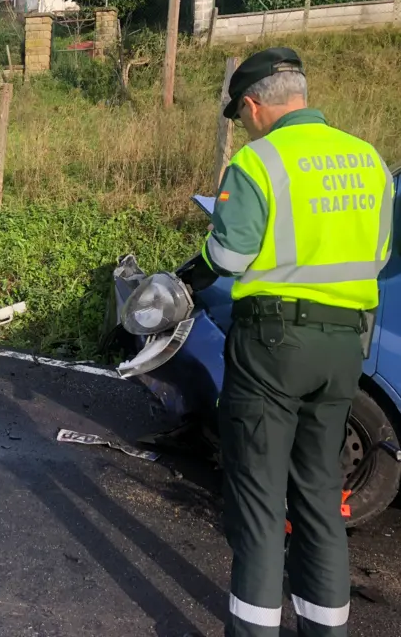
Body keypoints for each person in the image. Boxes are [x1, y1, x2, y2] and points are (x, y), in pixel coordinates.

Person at [186, 47, 394, 637]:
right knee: (320, 498)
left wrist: (193, 267)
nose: (244, 125)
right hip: (343, 351)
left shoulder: (259, 162)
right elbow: (378, 255)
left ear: (254, 105)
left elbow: (229, 256)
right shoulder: (370, 161)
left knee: (258, 504)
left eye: (241, 115)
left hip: (273, 346)